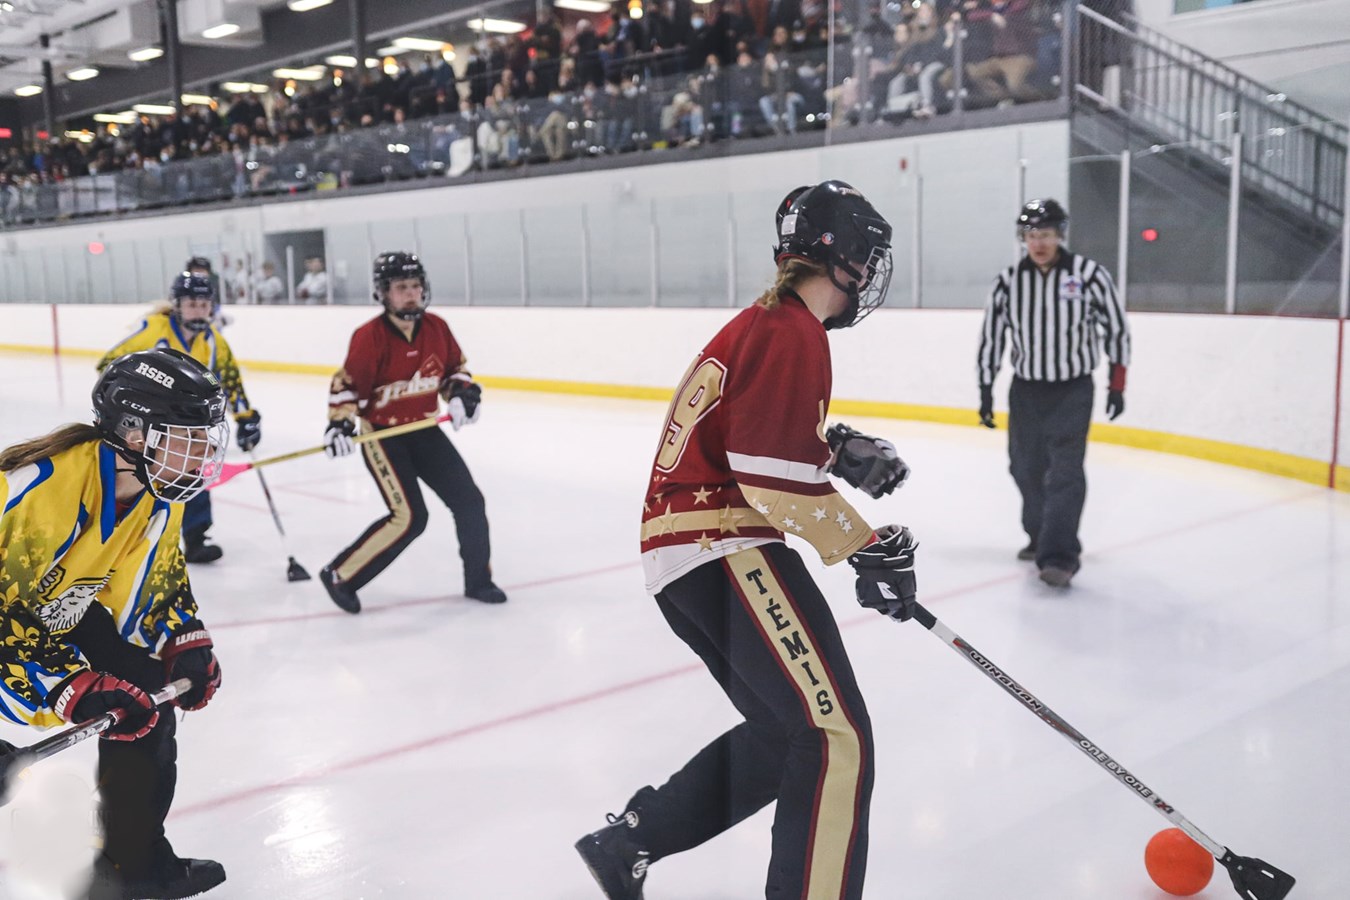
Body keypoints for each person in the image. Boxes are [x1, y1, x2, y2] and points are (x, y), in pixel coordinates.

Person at [574, 181, 919, 900]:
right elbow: (768, 482)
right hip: (724, 547)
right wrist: (863, 547)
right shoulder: (793, 329)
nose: (871, 274)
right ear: (844, 254)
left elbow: (759, 443)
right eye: (869, 256)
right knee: (835, 738)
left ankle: (632, 843)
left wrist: (836, 448)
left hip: (684, 558)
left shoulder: (767, 324)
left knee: (784, 734)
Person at [0, 347, 228, 899]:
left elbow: (156, 582)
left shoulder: (156, 493)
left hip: (51, 613)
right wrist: (68, 688)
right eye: (186, 438)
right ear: (132, 432)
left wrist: (180, 638)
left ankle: (131, 865)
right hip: (14, 620)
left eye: (204, 440)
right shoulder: (39, 492)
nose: (199, 455)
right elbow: (10, 614)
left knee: (147, 696)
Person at [319, 251, 507, 613]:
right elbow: (347, 386)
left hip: (423, 429)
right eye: (401, 287)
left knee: (469, 501)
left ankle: (478, 580)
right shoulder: (368, 337)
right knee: (410, 517)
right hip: (383, 436)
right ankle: (341, 574)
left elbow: (456, 370)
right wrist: (340, 423)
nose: (411, 294)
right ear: (383, 293)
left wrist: (461, 395)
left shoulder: (437, 327)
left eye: (416, 285)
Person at [976, 198, 1131, 587]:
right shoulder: (1008, 282)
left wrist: (1117, 384)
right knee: (1024, 467)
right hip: (1026, 390)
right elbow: (992, 338)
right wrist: (984, 388)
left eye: (1045, 234)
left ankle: (1060, 556)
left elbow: (1116, 329)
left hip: (1072, 390)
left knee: (1064, 472)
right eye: (1031, 235)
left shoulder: (1089, 275)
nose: (1039, 243)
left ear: (1060, 236)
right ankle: (1040, 535)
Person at [97, 272, 263, 564]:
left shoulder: (214, 342)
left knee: (192, 469)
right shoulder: (153, 332)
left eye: (205, 304)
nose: (199, 310)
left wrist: (246, 417)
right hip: (146, 426)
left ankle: (196, 537)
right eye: (192, 303)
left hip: (184, 425)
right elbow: (110, 368)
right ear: (177, 304)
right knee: (141, 477)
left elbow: (230, 380)